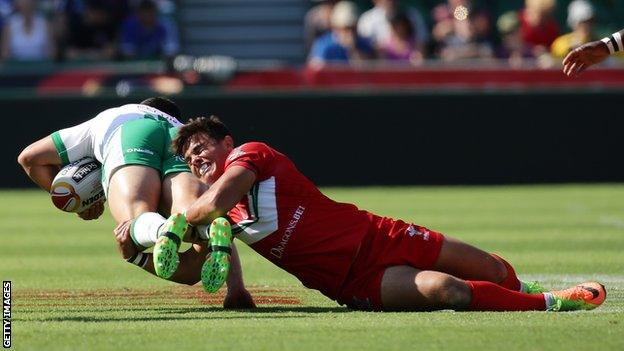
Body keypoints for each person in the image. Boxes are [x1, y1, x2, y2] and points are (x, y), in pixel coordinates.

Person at [115, 115, 607, 312]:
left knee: (492, 269)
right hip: (350, 282)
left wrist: (175, 221)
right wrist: (236, 291)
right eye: (191, 157)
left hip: (378, 235)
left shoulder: (251, 154)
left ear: (226, 142)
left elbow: (213, 207)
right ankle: (551, 303)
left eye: (203, 148)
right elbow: (216, 241)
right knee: (448, 291)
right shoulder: (217, 208)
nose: (198, 159)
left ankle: (517, 288)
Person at [17, 97, 254, 308]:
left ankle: (162, 229)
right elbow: (192, 270)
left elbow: (29, 158)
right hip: (180, 140)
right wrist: (236, 288)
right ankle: (201, 233)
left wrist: (82, 205)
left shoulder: (114, 114)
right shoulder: (181, 130)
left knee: (137, 216)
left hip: (129, 132)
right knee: (199, 217)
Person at [308, 1, 375, 68]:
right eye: (345, 28)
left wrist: (352, 50)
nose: (350, 33)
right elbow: (316, 70)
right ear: (335, 27)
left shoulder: (365, 44)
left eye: (352, 28)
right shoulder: (323, 45)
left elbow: (368, 70)